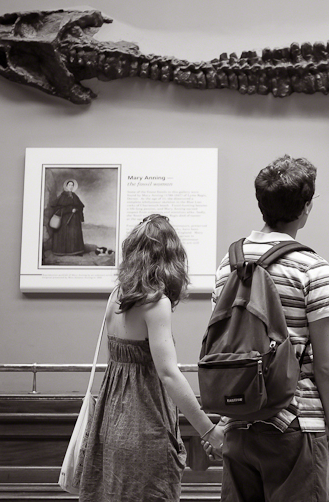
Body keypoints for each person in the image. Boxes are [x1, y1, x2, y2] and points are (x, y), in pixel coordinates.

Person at [206, 155, 329, 502]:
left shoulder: (228, 265)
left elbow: (228, 347)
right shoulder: (312, 267)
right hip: (296, 425)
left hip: (240, 424)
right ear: (306, 207)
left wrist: (225, 421)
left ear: (261, 203)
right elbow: (325, 366)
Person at [78, 214, 224, 502]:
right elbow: (168, 374)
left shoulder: (116, 296)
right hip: (145, 429)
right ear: (171, 258)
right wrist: (209, 431)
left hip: (110, 424)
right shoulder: (156, 303)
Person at [51, 179, 85, 256]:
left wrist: (76, 209)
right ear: (66, 186)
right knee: (64, 234)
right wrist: (70, 209)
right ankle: (61, 251)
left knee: (74, 233)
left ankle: (76, 251)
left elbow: (80, 206)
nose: (71, 187)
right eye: (69, 185)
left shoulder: (75, 196)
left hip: (74, 219)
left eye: (72, 185)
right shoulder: (62, 196)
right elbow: (58, 208)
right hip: (64, 219)